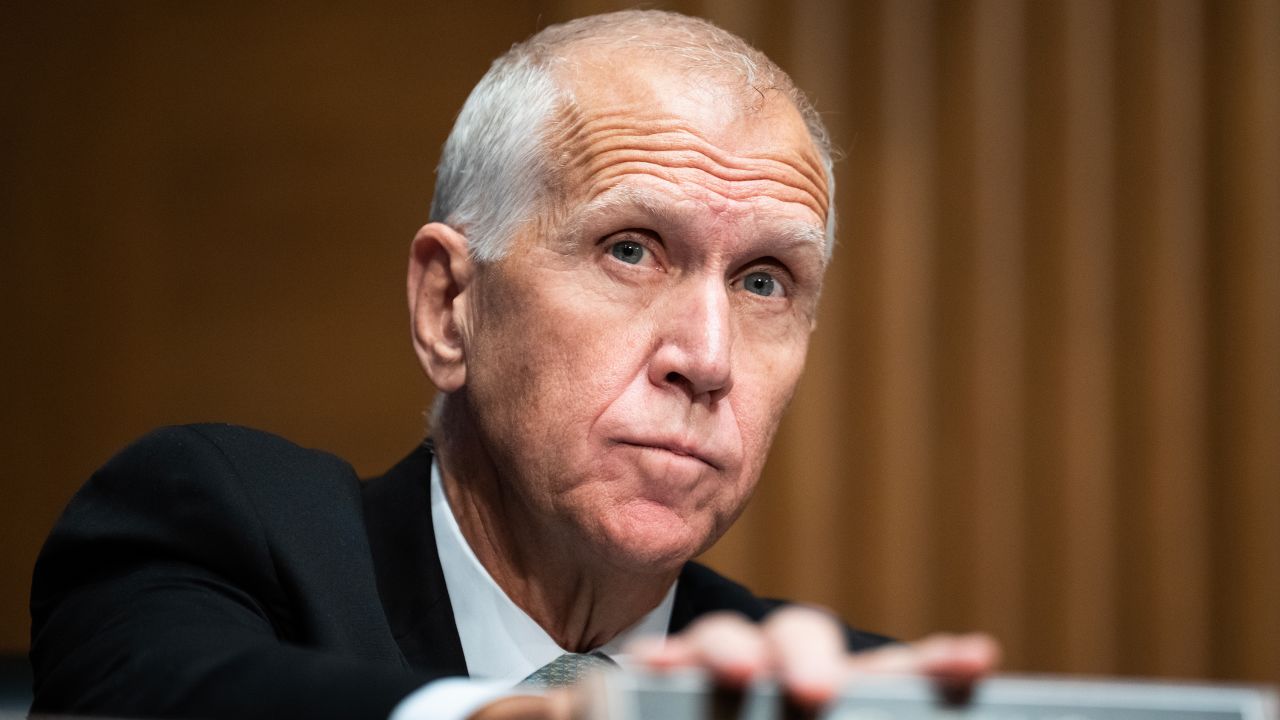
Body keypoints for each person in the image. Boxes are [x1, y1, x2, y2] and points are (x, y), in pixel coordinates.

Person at [29, 10, 997, 720]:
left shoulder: (835, 696)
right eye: (630, 249)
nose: (706, 360)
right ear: (450, 306)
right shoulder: (217, 540)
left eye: (762, 281)